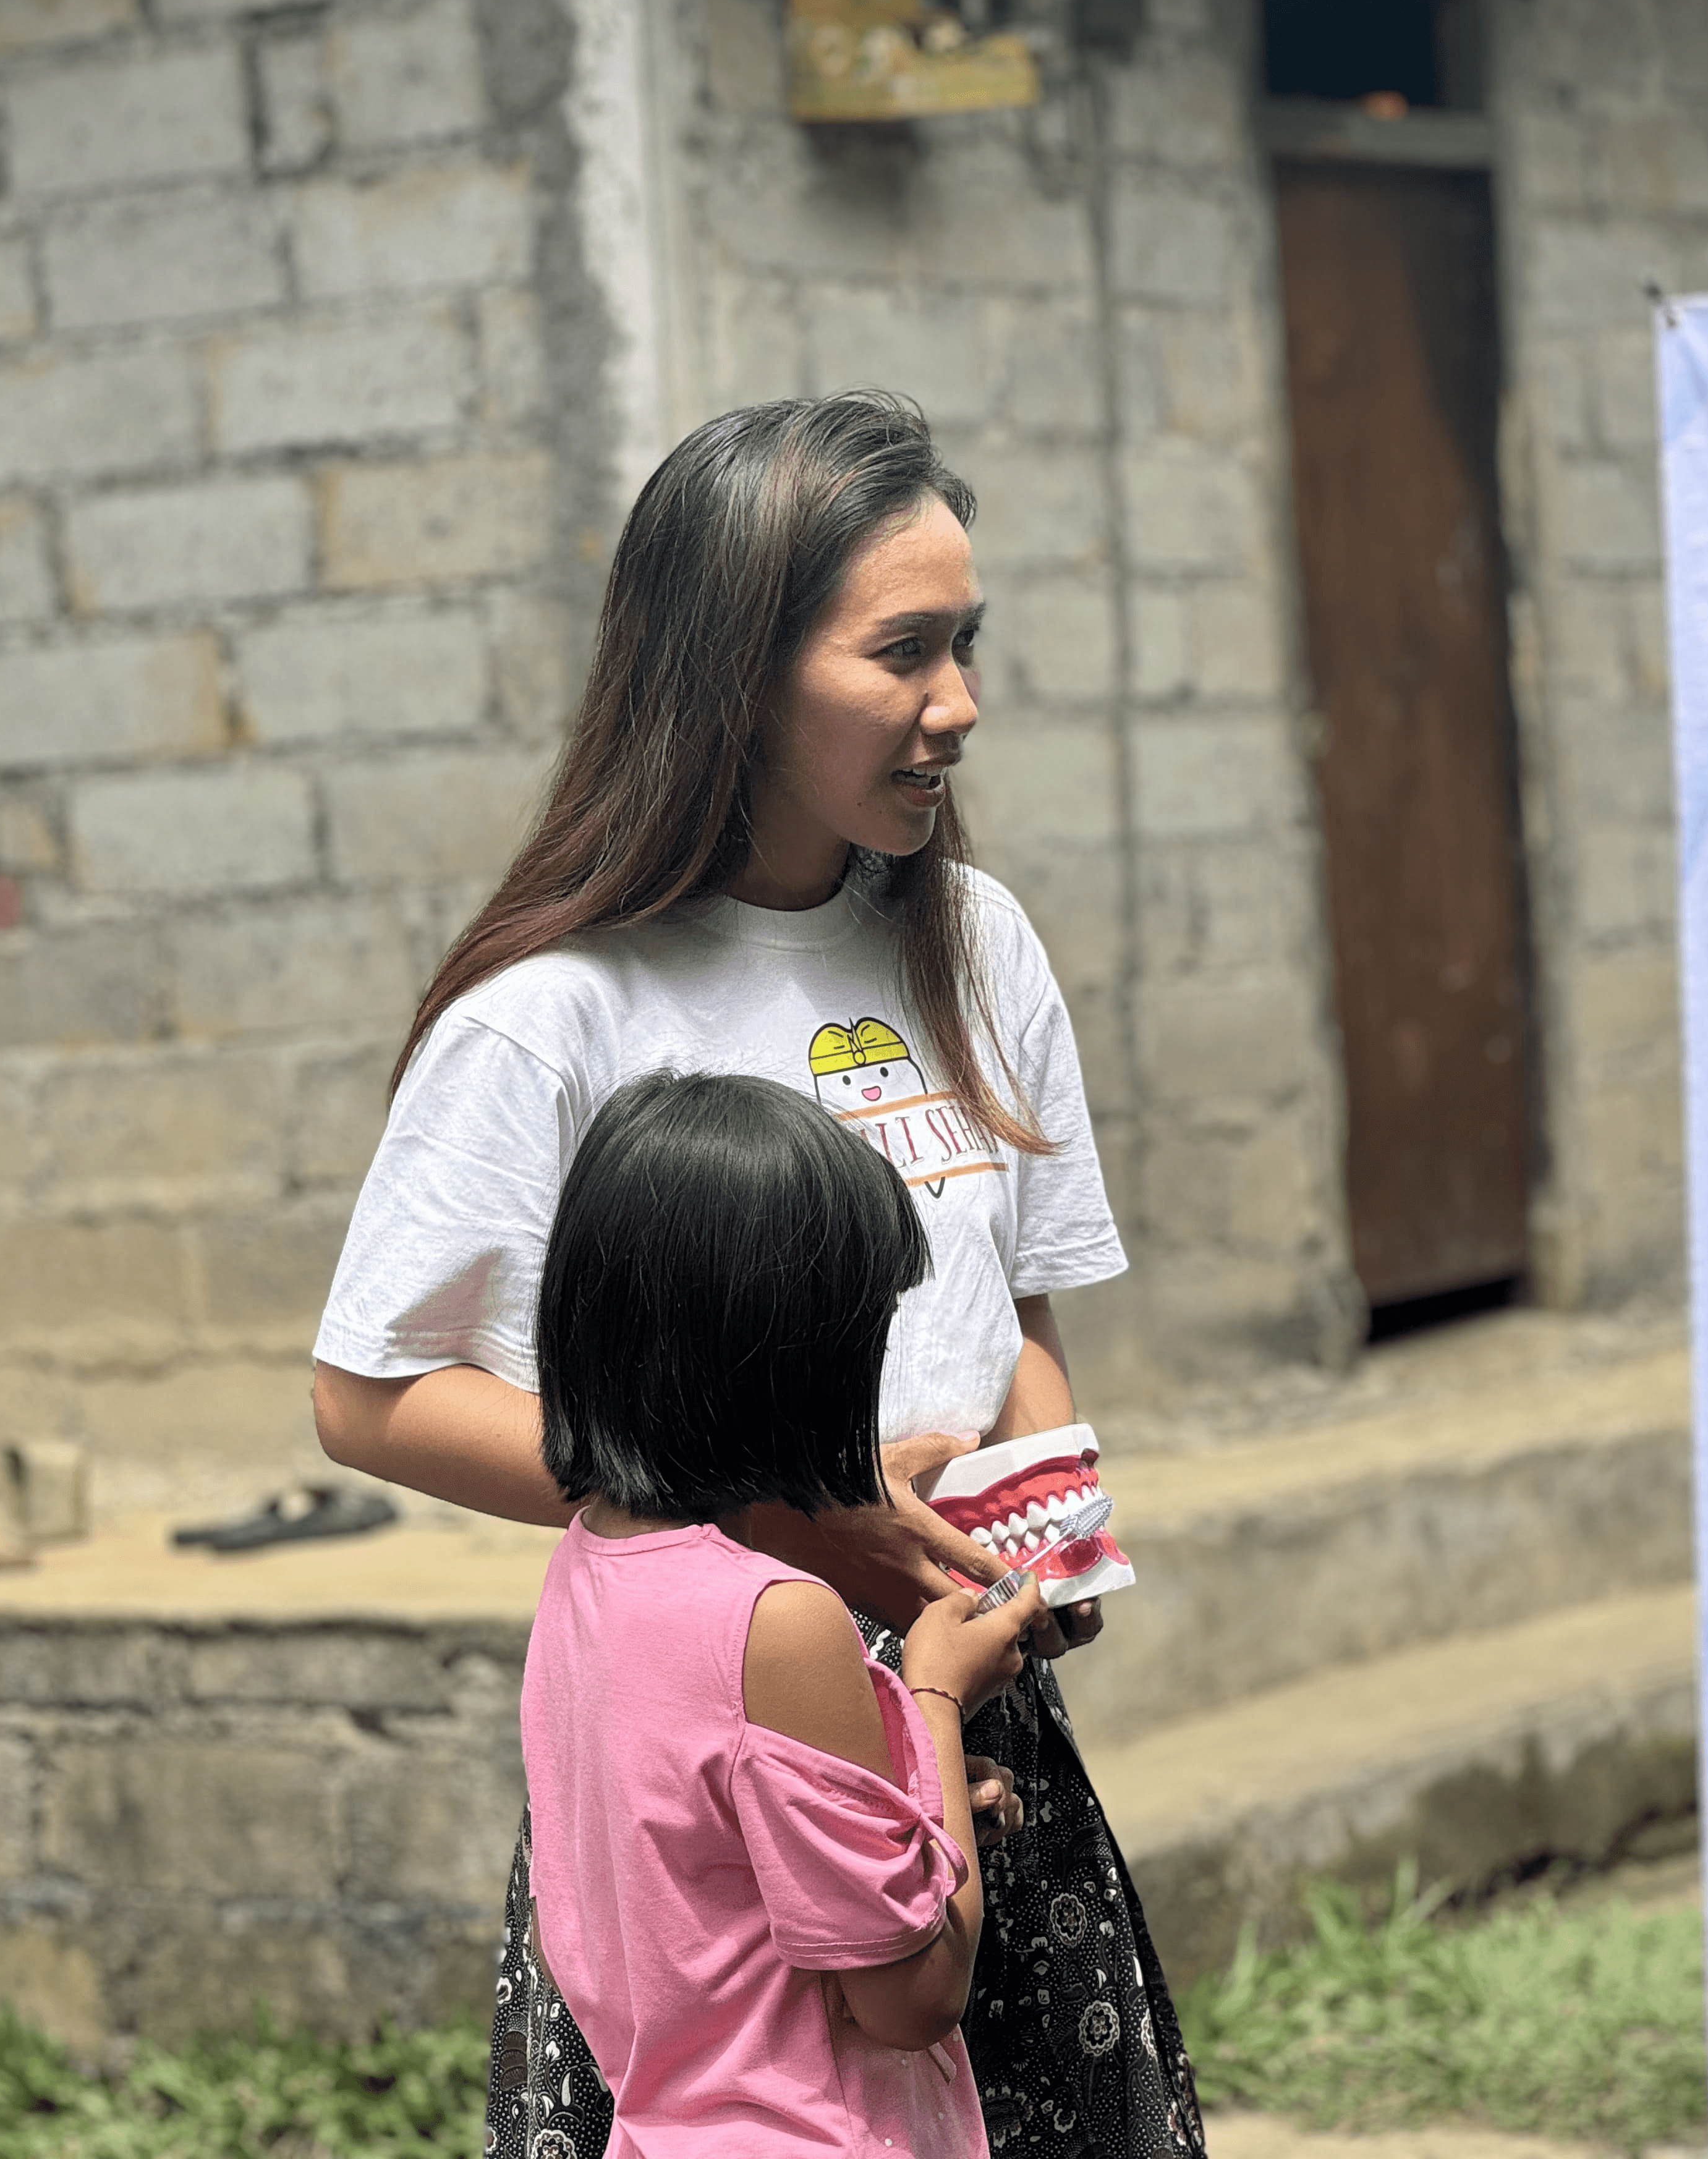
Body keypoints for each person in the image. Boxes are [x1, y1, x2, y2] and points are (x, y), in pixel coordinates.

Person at [312, 392, 1208, 2158]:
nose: (956, 704)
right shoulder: (558, 1015)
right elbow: (373, 1397)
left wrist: (1042, 1517)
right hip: (712, 1749)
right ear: (733, 671)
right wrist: (787, 1516)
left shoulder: (972, 939)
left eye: (968, 647)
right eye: (902, 654)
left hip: (961, 1717)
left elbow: (1010, 1309)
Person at [524, 1066, 1047, 2157]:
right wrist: (936, 1692)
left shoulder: (589, 1573)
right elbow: (911, 1998)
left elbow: (712, 1869)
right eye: (859, 1337)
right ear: (783, 1361)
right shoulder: (778, 1618)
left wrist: (916, 1788)